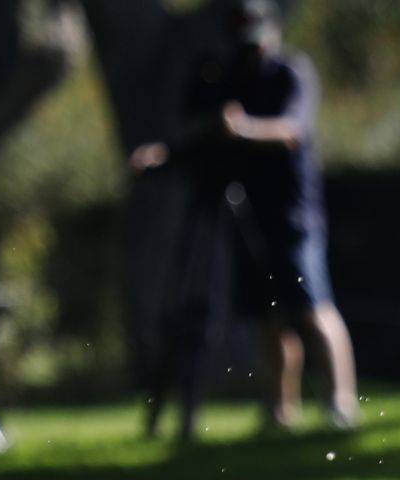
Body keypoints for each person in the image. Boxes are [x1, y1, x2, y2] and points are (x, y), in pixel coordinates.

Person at [131, 0, 360, 432]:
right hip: (246, 212)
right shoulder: (231, 77)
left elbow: (292, 130)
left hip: (293, 215)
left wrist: (245, 128)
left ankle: (340, 403)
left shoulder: (290, 72)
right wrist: (165, 157)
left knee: (312, 308)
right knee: (266, 315)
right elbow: (209, 138)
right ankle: (279, 409)